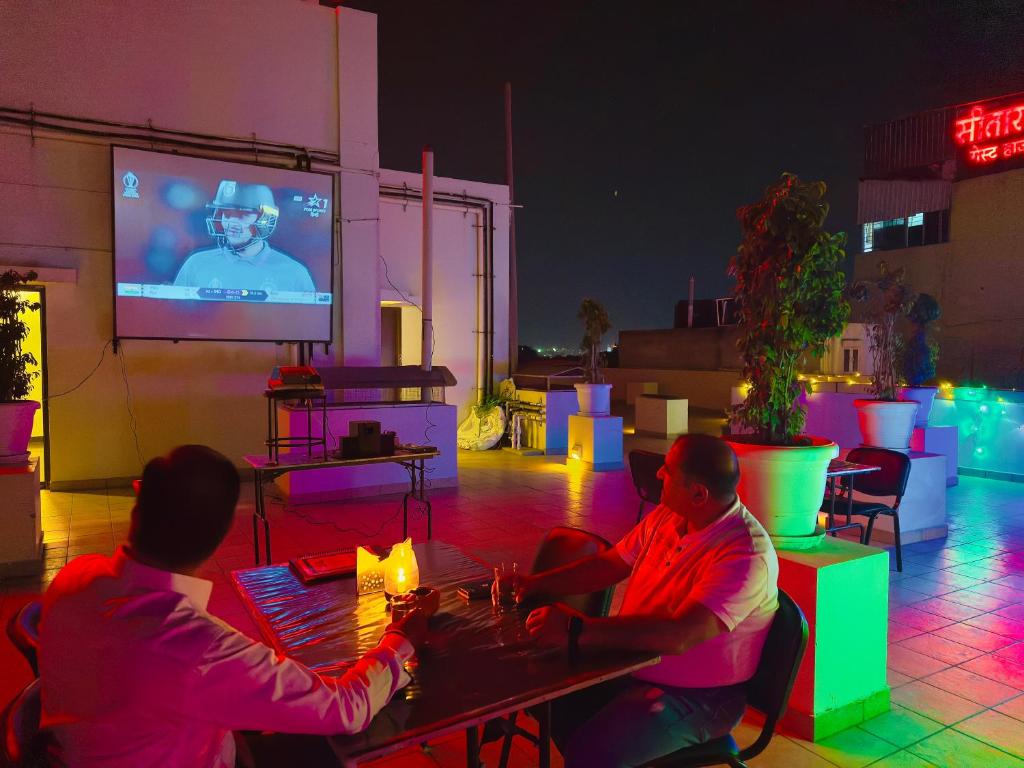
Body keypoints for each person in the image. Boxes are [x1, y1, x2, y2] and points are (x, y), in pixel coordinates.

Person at [38, 445, 424, 768]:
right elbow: (345, 710)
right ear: (221, 536)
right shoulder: (195, 650)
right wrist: (401, 638)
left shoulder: (72, 578)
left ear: (137, 508)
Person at [515, 434, 778, 768]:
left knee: (592, 754)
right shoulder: (670, 517)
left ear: (699, 493)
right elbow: (610, 565)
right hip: (637, 666)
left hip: (699, 697)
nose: (657, 475)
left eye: (667, 471)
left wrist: (576, 629)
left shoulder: (744, 553)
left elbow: (679, 635)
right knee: (546, 695)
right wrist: (534, 584)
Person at [173, 180, 316, 293]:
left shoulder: (295, 273)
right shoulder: (195, 264)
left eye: (244, 215)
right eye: (227, 214)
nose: (232, 222)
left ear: (265, 219)